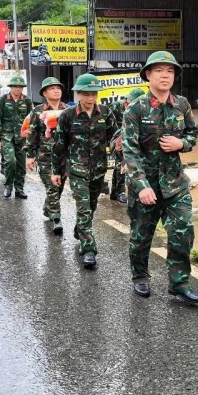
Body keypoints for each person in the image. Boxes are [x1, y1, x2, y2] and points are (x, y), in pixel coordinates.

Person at [123, 51, 198, 303]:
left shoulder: (182, 105)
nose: (165, 75)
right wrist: (141, 186)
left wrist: (182, 143)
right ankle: (140, 277)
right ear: (148, 75)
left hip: (175, 184)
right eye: (159, 70)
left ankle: (179, 283)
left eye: (170, 71)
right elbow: (130, 151)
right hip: (145, 185)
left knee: (182, 230)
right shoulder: (136, 109)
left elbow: (193, 135)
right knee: (141, 236)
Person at [51, 74, 117, 269]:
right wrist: (56, 171)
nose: (90, 99)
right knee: (83, 207)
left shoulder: (106, 113)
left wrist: (118, 145)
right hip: (77, 170)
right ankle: (88, 249)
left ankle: (80, 228)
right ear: (78, 94)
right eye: (86, 94)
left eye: (94, 94)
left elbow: (115, 136)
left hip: (98, 169)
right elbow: (59, 146)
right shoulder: (68, 116)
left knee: (92, 205)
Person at [26, 77, 68, 236]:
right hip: (45, 156)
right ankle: (56, 219)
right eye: (52, 88)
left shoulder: (68, 110)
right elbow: (32, 133)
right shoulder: (38, 111)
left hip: (63, 157)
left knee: (59, 187)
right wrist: (30, 155)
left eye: (58, 87)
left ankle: (47, 207)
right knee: (52, 187)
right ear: (44, 93)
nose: (56, 90)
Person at [0, 75, 32, 199]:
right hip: (7, 136)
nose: (18, 89)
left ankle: (19, 188)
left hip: (21, 138)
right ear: (11, 87)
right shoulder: (3, 100)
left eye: (20, 87)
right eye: (15, 87)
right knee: (10, 161)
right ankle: (8, 185)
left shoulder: (26, 101)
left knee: (21, 164)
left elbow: (30, 120)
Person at [109, 88, 146, 203]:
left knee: (123, 164)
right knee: (122, 163)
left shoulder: (142, 111)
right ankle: (120, 191)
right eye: (127, 102)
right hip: (117, 138)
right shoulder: (115, 107)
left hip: (131, 138)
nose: (127, 105)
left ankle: (115, 192)